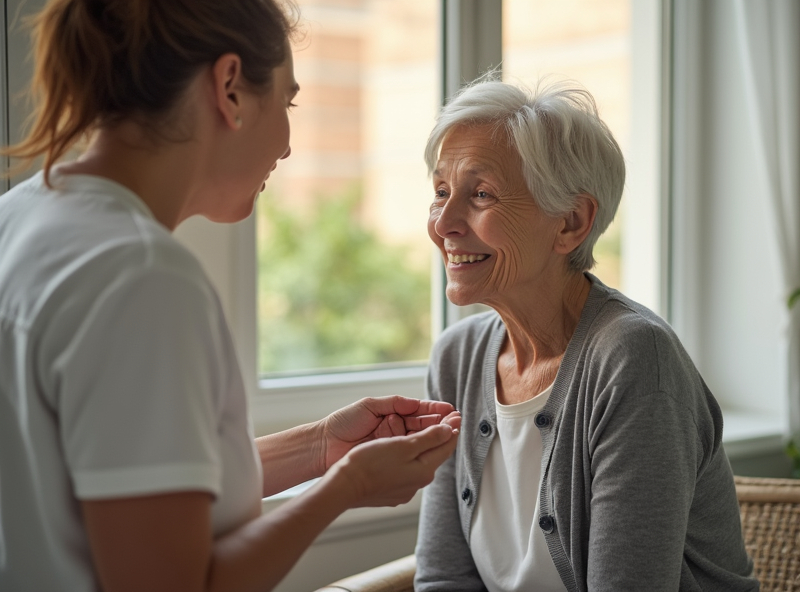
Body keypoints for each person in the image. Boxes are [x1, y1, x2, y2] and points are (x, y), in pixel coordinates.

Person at [0, 1, 461, 591]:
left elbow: (123, 485)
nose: (290, 144)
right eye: (288, 102)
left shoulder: (23, 216)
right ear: (230, 88)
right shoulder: (143, 279)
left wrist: (321, 447)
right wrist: (346, 488)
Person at [414, 78, 758, 592]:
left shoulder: (633, 358)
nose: (443, 223)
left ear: (571, 223)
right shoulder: (456, 359)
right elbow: (444, 578)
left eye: (481, 194)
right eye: (441, 191)